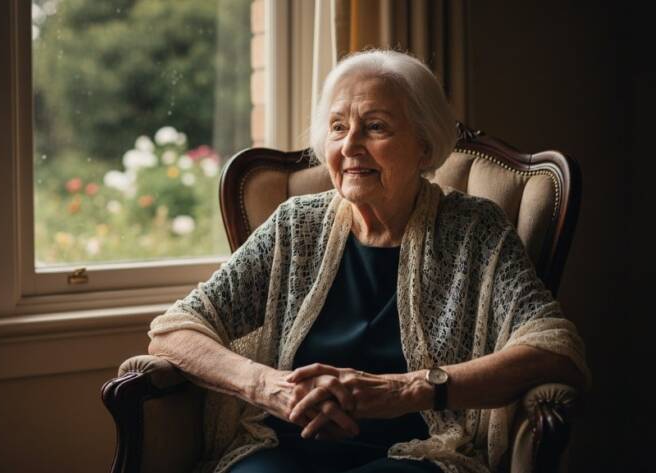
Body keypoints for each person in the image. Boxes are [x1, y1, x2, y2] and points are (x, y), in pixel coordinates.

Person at [148, 49, 589, 473]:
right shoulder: (296, 226)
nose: (351, 145)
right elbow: (175, 330)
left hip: (418, 454)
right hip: (281, 449)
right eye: (338, 127)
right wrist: (267, 386)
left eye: (375, 127)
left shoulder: (475, 230)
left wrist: (406, 389)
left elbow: (554, 350)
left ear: (424, 144)